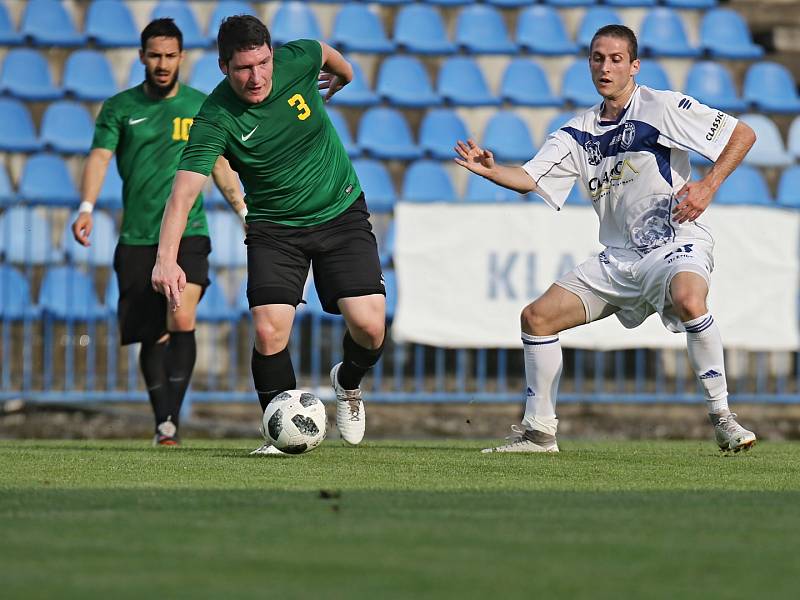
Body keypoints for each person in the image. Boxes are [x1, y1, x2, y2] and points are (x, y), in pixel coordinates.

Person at [455, 25, 758, 454]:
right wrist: (491, 170)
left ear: (634, 66)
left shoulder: (662, 107)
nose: (606, 66)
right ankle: (539, 433)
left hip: (674, 242)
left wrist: (708, 186)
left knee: (691, 299)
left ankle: (723, 418)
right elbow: (528, 178)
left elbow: (741, 134)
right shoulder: (578, 131)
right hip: (619, 260)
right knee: (537, 319)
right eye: (598, 57)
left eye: (616, 59)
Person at [151, 15, 386, 454]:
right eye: (243, 67)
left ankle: (348, 384)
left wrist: (344, 75)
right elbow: (182, 194)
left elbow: (324, 50)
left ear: (272, 55)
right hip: (276, 230)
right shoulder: (216, 117)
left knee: (371, 328)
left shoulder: (295, 60)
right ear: (223, 66)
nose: (256, 76)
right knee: (269, 330)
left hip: (340, 211)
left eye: (262, 63)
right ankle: (280, 433)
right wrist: (166, 258)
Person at [72, 19, 246, 446]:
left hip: (190, 233)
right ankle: (165, 423)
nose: (163, 63)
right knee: (153, 335)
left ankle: (169, 422)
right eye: (155, 55)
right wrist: (86, 207)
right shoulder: (119, 108)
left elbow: (221, 165)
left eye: (170, 56)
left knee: (181, 314)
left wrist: (243, 209)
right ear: (142, 57)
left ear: (181, 57)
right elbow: (98, 158)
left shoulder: (202, 106)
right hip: (137, 237)